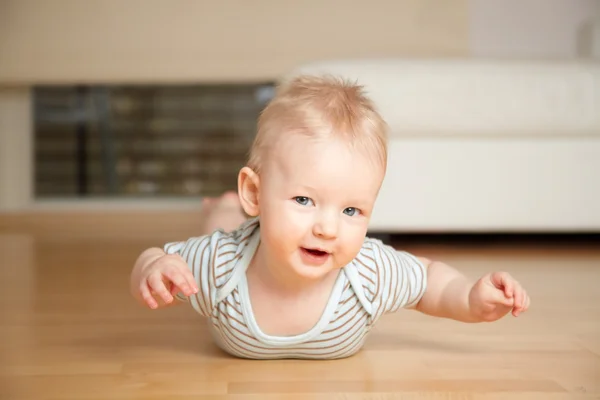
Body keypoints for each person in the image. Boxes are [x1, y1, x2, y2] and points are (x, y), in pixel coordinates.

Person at [130, 75, 530, 360]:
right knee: (222, 226)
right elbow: (154, 259)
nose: (327, 227)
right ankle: (223, 206)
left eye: (351, 210)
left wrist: (470, 298)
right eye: (304, 200)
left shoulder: (368, 271)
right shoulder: (219, 263)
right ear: (255, 192)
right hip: (237, 235)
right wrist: (154, 269)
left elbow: (429, 282)